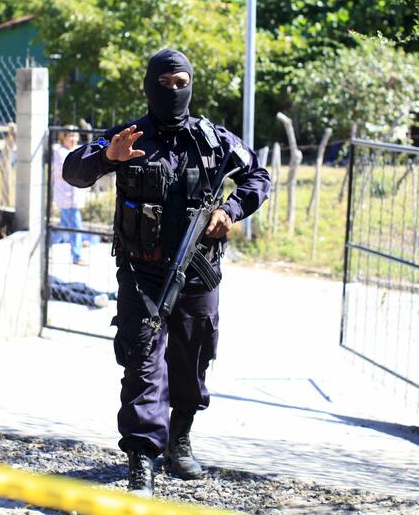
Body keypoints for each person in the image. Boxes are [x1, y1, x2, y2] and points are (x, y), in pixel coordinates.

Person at [63, 49, 270, 496]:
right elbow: (73, 171)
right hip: (143, 274)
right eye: (165, 83)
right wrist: (108, 159)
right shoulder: (128, 135)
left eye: (181, 83)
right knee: (142, 364)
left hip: (199, 274)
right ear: (149, 85)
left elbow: (258, 176)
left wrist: (229, 210)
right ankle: (141, 458)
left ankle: (179, 440)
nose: (174, 91)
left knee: (192, 359)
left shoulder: (213, 139)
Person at [51, 128, 90, 265]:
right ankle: (77, 256)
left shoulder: (79, 149)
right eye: (70, 136)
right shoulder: (59, 152)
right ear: (63, 137)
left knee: (64, 226)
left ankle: (46, 247)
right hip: (65, 196)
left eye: (75, 136)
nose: (73, 139)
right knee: (75, 226)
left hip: (75, 196)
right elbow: (65, 172)